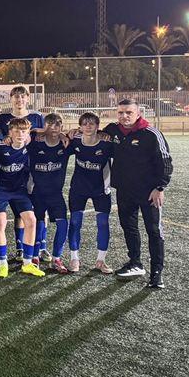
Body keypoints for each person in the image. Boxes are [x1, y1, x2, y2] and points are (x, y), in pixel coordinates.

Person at [101, 98, 172, 289]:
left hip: (149, 192)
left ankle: (156, 273)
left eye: (129, 112)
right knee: (129, 227)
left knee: (154, 231)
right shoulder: (113, 130)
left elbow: (165, 161)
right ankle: (135, 263)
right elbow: (95, 134)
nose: (124, 116)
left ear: (138, 113)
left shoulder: (151, 134)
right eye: (120, 112)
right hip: (125, 190)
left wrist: (160, 188)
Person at [0, 117, 44, 279]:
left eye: (24, 131)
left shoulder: (31, 146)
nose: (20, 134)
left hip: (19, 190)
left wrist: (61, 135)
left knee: (31, 220)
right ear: (10, 132)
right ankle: (3, 263)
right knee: (0, 222)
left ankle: (27, 263)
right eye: (16, 131)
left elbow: (50, 133)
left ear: (28, 133)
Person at [67, 112, 114, 274]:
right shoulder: (75, 141)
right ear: (80, 127)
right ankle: (74, 258)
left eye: (92, 123)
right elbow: (59, 138)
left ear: (97, 126)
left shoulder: (106, 144)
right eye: (84, 124)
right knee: (75, 222)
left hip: (101, 190)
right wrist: (67, 133)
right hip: (78, 189)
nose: (88, 126)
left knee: (103, 223)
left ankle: (101, 260)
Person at [27, 113, 71, 272]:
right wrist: (40, 131)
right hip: (37, 192)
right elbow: (24, 132)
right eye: (49, 124)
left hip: (56, 194)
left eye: (57, 125)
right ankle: (34, 256)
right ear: (43, 126)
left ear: (62, 127)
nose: (53, 128)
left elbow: (86, 134)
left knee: (63, 224)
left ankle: (56, 258)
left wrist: (63, 134)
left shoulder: (66, 144)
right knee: (38, 223)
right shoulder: (34, 142)